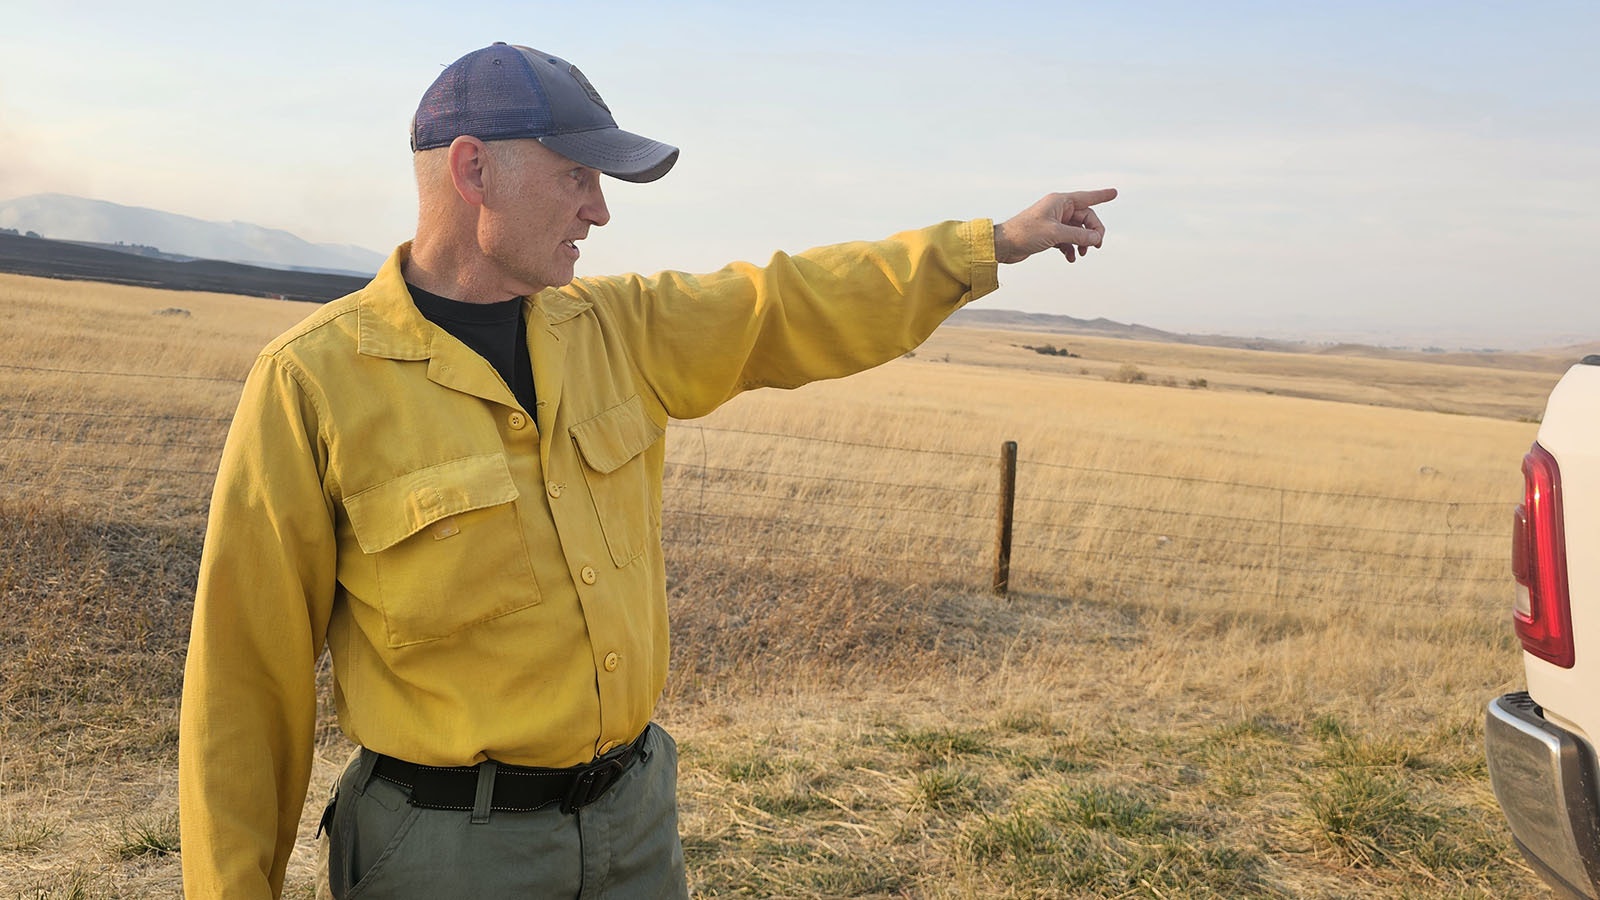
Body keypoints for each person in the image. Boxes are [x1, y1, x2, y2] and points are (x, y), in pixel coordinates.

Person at [177, 41, 1115, 899]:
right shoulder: (313, 381)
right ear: (474, 169)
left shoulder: (618, 329)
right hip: (445, 857)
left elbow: (786, 301)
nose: (600, 207)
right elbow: (243, 680)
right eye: (576, 175)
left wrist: (988, 244)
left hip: (635, 828)